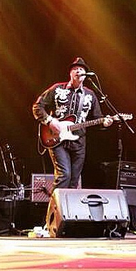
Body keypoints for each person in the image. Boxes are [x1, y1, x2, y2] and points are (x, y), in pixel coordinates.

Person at [32, 57, 114, 192]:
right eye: (75, 69)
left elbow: (98, 118)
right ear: (70, 73)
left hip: (79, 142)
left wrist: (105, 123)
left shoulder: (90, 94)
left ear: (85, 75)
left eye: (81, 69)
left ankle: (67, 212)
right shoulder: (57, 88)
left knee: (74, 180)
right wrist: (50, 121)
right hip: (56, 138)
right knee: (64, 175)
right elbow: (37, 106)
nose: (78, 71)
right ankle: (55, 211)